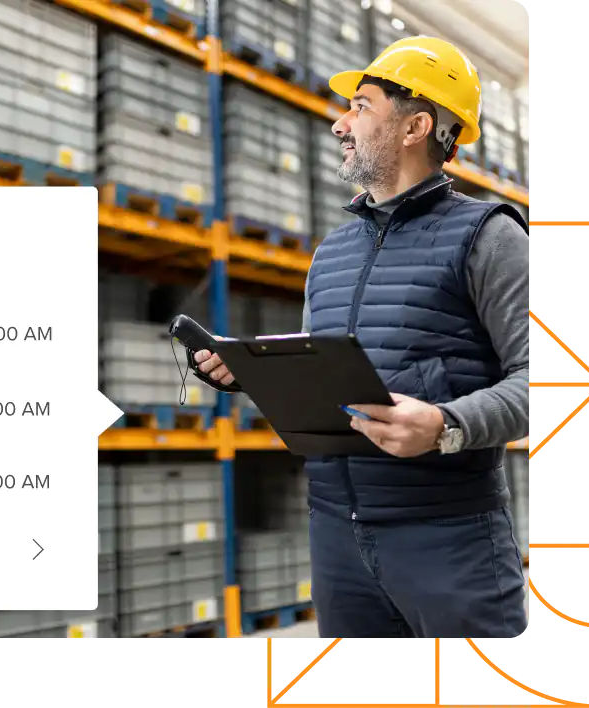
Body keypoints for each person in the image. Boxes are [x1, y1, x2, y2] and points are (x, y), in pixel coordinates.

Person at [193, 36, 530, 640]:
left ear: (415, 126)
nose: (339, 125)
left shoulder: (489, 236)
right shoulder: (331, 252)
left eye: (362, 106)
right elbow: (328, 373)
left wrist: (446, 424)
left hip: (448, 540)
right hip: (336, 535)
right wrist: (252, 369)